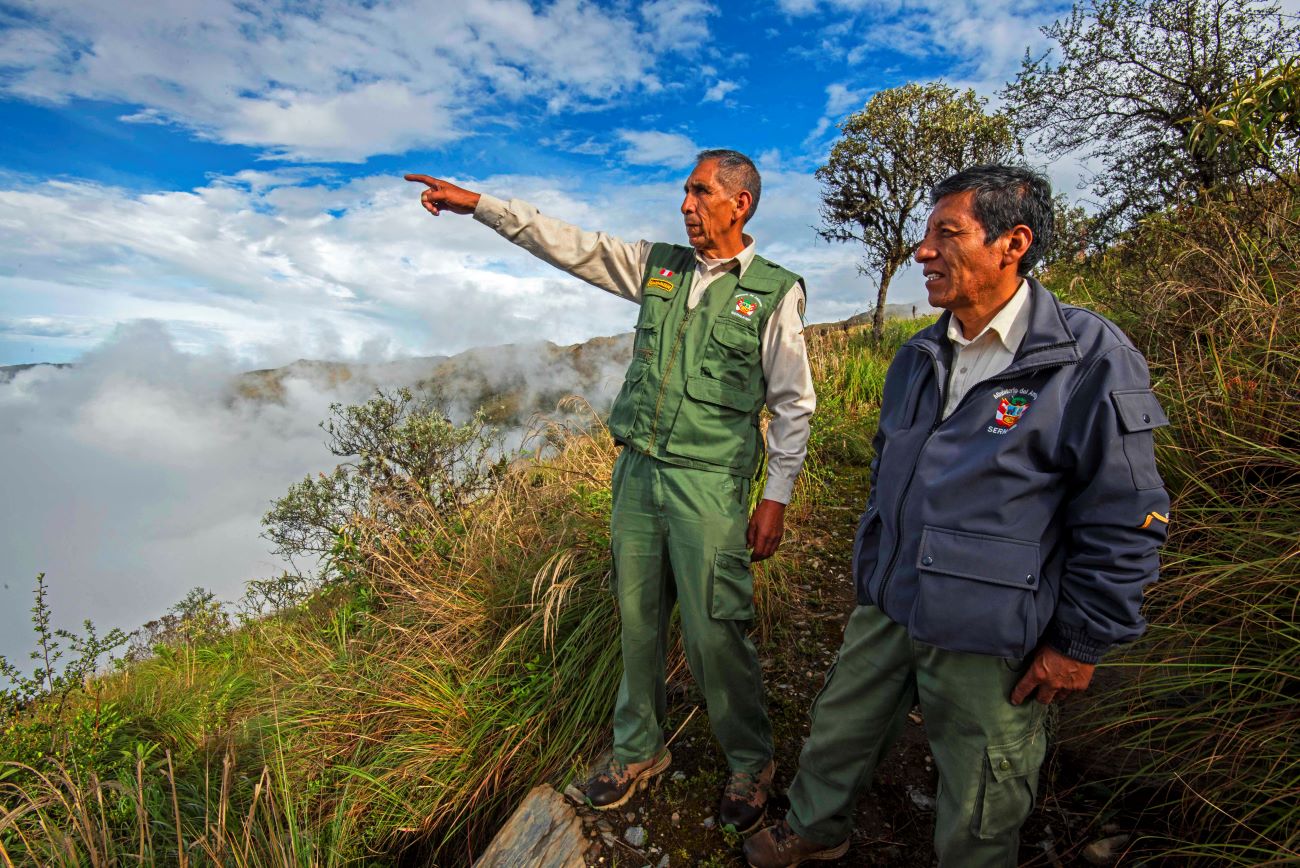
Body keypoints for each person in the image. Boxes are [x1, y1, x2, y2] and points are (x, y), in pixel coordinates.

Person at [744, 164, 1170, 868]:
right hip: (890, 600)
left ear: (1014, 243)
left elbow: (1126, 514)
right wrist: (875, 562)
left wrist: (1081, 641)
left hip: (990, 627)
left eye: (948, 232)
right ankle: (816, 830)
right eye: (925, 233)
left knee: (982, 788)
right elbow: (889, 471)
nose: (923, 252)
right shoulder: (916, 356)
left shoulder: (1088, 359)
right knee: (840, 728)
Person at [406, 149, 815, 833]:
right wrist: (481, 206)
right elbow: (570, 245)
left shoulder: (774, 291)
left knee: (718, 631)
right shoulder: (659, 268)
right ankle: (638, 751)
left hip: (710, 486)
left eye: (700, 192)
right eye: (685, 192)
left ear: (739, 204)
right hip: (637, 476)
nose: (685, 205)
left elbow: (794, 404)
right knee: (637, 621)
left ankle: (750, 763)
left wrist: (774, 496)